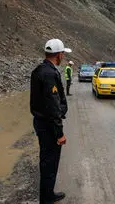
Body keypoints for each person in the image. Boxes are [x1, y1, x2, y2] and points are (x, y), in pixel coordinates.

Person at [30, 38, 72, 204]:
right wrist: (59, 133)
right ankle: (46, 199)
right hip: (48, 126)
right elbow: (53, 107)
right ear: (58, 54)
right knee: (49, 163)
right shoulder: (49, 74)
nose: (63, 56)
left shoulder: (39, 70)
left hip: (42, 122)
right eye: (62, 53)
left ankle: (48, 194)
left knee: (47, 162)